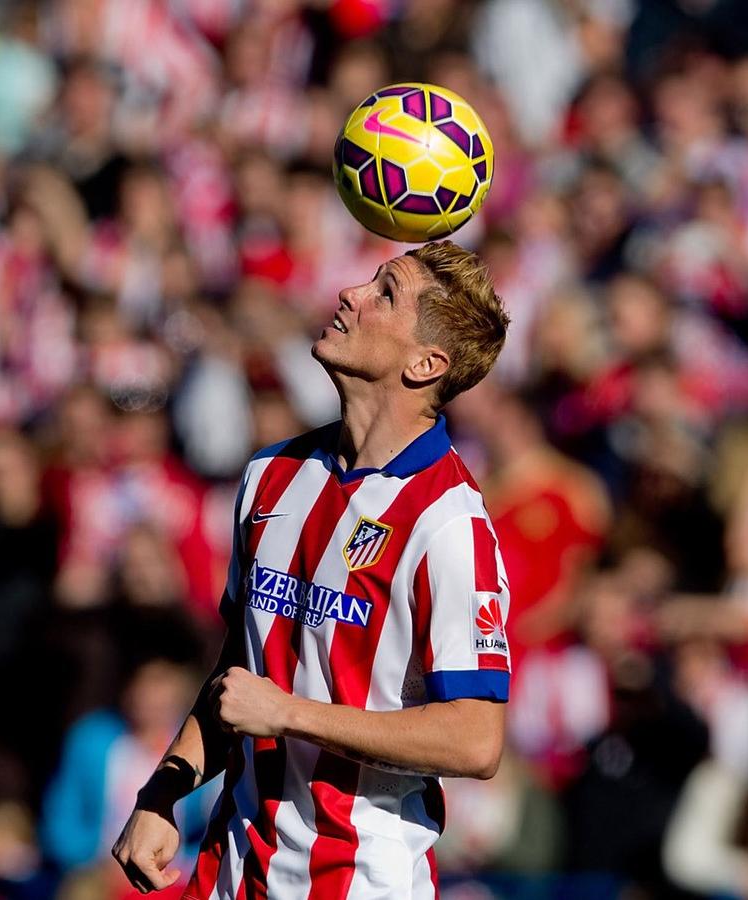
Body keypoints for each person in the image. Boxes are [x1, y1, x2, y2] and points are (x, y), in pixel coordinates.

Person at [111, 241, 514, 897]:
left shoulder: (448, 522)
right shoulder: (270, 475)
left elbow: (475, 740)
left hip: (360, 877)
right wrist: (164, 791)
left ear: (426, 363)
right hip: (231, 868)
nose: (349, 294)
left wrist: (292, 714)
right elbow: (240, 679)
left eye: (385, 293)